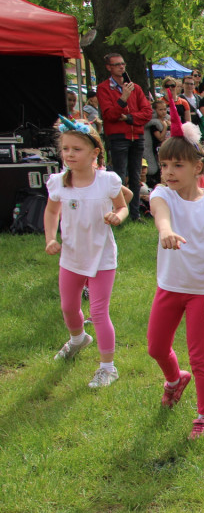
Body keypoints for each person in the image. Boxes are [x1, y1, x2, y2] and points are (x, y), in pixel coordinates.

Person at [148, 99, 204, 440]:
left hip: (201, 291)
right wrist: (165, 232)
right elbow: (161, 216)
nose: (168, 171)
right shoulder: (161, 195)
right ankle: (174, 379)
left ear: (198, 167)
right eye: (164, 164)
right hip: (169, 286)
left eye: (177, 165)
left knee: (200, 355)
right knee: (156, 347)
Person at [43, 118, 128, 388]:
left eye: (76, 149)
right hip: (71, 257)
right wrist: (50, 238)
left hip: (102, 258)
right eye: (65, 149)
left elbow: (123, 206)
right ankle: (78, 339)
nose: (69, 154)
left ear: (94, 152)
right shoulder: (58, 182)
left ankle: (107, 367)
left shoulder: (107, 181)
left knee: (99, 311)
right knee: (69, 308)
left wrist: (118, 216)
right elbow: (51, 211)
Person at [97, 52, 153, 221]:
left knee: (136, 176)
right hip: (118, 136)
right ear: (109, 67)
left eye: (123, 64)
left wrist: (129, 118)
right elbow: (109, 115)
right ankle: (118, 213)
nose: (121, 67)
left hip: (136, 136)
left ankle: (135, 214)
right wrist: (123, 99)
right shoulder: (103, 88)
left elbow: (147, 112)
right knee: (119, 176)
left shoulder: (135, 87)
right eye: (117, 64)